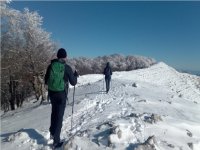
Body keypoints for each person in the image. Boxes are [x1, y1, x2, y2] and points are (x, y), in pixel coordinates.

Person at [45, 48, 78, 148]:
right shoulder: (66, 67)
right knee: (59, 117)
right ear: (65, 57)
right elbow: (73, 82)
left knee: (54, 113)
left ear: (57, 56)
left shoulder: (51, 66)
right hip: (61, 94)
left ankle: (52, 132)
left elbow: (46, 80)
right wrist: (75, 75)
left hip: (52, 93)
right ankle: (56, 141)